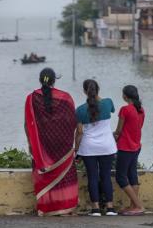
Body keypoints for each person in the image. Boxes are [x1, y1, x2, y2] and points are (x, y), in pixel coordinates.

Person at [24, 68, 78, 216]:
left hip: (42, 147)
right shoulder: (66, 98)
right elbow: (72, 121)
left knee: (44, 174)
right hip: (63, 145)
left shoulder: (31, 98)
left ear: (40, 79)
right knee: (65, 175)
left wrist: (31, 143)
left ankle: (46, 208)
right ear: (54, 80)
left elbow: (28, 124)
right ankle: (66, 207)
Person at [75, 79, 118, 216]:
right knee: (106, 176)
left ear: (84, 91)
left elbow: (80, 132)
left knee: (92, 177)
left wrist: (76, 150)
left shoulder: (80, 110)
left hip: (88, 148)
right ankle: (110, 208)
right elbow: (111, 110)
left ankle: (95, 209)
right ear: (98, 89)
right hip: (107, 147)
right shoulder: (108, 102)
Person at [113, 85, 144, 216]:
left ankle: (138, 205)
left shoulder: (125, 110)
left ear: (125, 96)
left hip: (125, 147)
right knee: (132, 175)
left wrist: (111, 137)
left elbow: (118, 131)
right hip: (136, 146)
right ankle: (133, 206)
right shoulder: (141, 110)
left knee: (120, 177)